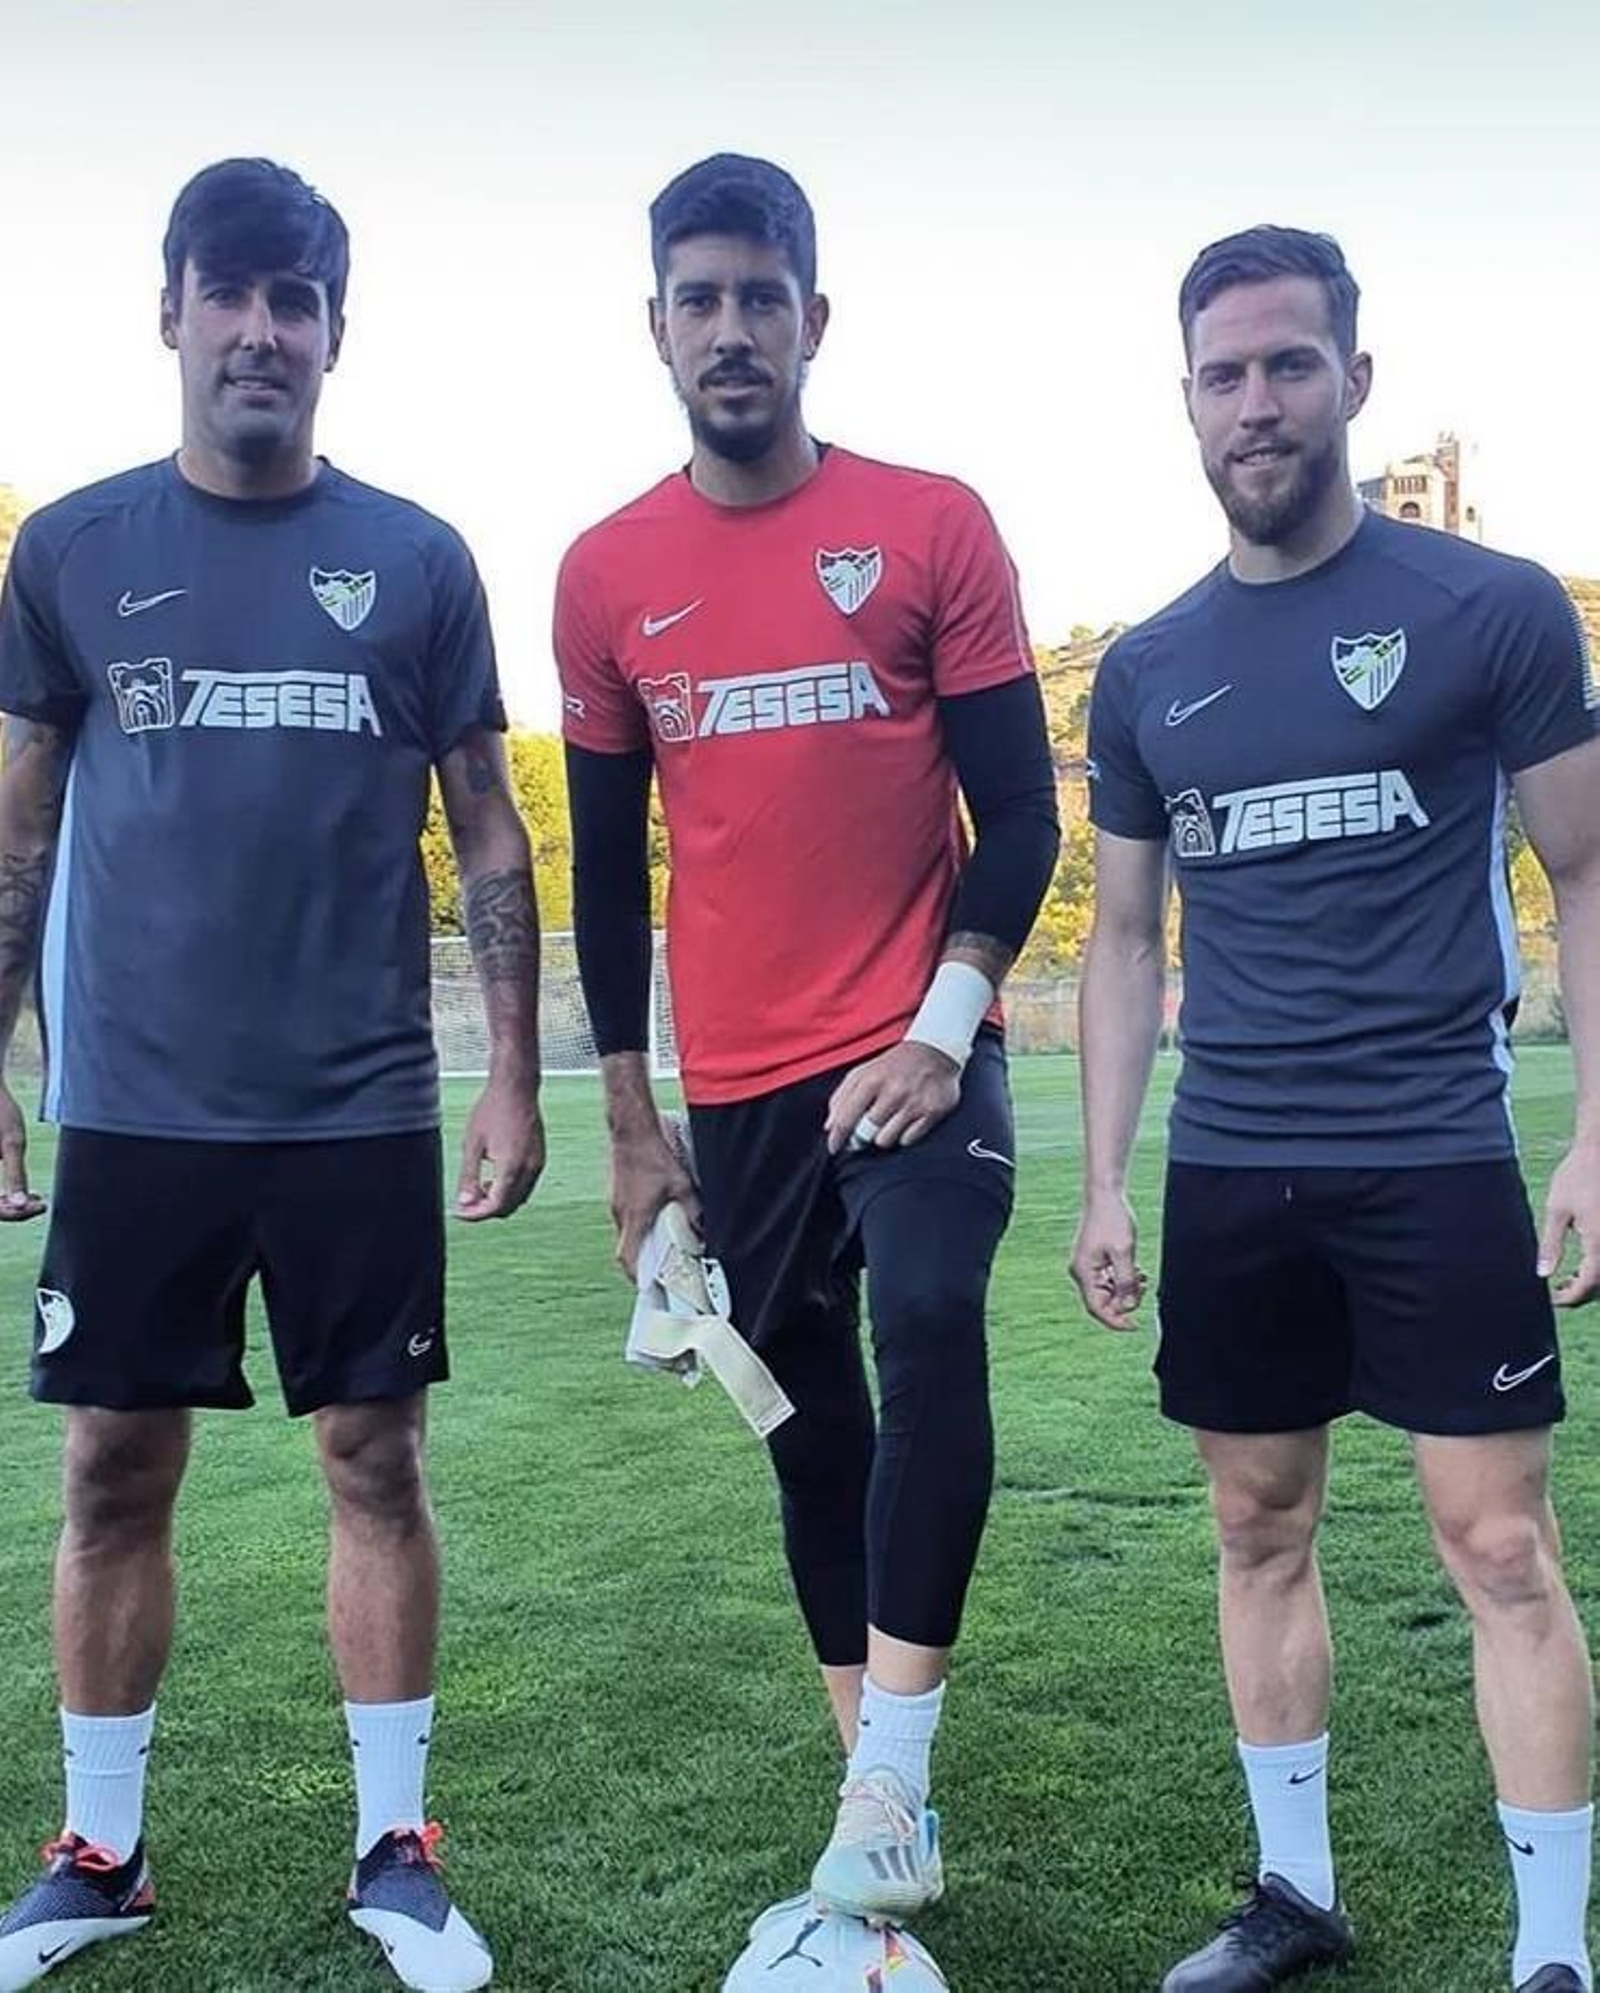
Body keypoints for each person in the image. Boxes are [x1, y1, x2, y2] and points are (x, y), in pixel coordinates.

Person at [0, 158, 544, 1993]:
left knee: (377, 1459)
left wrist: (516, 1075)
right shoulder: (71, 550)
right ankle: (97, 1851)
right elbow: (16, 832)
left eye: (294, 299)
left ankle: (398, 1852)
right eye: (228, 292)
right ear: (170, 311)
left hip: (358, 1106)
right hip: (140, 1107)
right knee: (109, 1469)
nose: (260, 329)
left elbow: (487, 828)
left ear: (333, 334)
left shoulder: (416, 559)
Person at [1071, 223, 1600, 1993]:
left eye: (1290, 363)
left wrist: (1597, 1129)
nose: (1257, 402)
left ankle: (1549, 1950)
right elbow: (1131, 936)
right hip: (1236, 1165)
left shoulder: (1493, 608)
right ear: (1187, 402)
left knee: (1500, 1541)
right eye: (1223, 373)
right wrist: (1109, 1181)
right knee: (1255, 1523)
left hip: (1437, 1149)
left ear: (1355, 381)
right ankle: (1294, 1894)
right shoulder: (1148, 670)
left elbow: (1586, 873)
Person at [555, 153, 1059, 1928]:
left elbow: (1023, 818)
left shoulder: (932, 523)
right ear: (657, 328)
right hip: (740, 1084)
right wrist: (631, 1121)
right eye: (699, 297)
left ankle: (895, 1784)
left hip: (914, 1049)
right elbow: (605, 876)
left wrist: (944, 1027)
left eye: (763, 296)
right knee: (808, 1424)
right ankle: (875, 1797)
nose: (733, 327)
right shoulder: (607, 572)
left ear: (815, 319)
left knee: (926, 1326)